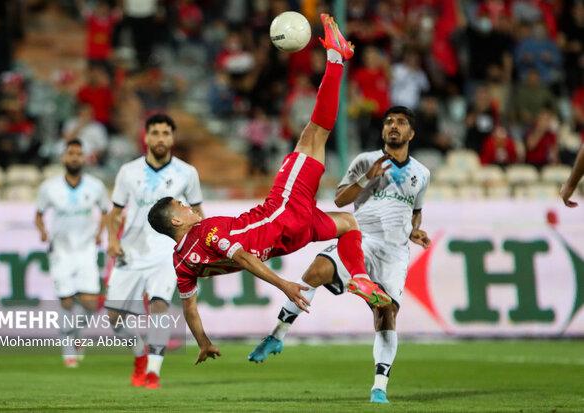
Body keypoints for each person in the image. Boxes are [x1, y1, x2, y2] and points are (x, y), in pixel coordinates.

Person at [148, 14, 390, 366]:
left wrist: (203, 342)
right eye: (181, 206)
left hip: (290, 237)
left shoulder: (181, 263)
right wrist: (285, 285)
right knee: (314, 134)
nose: (188, 206)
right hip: (282, 211)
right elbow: (244, 258)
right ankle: (336, 59)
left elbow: (190, 309)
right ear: (176, 221)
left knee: (349, 225)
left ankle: (362, 280)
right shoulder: (206, 231)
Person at [248, 105, 431, 405]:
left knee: (386, 313)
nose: (393, 127)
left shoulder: (421, 173)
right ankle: (277, 336)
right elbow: (339, 198)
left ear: (411, 132)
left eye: (400, 123)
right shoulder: (365, 160)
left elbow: (416, 212)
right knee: (316, 271)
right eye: (388, 122)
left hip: (394, 253)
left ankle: (379, 387)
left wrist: (414, 231)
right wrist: (366, 179)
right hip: (361, 237)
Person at [105, 113, 204, 390]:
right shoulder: (128, 171)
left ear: (172, 137)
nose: (160, 138)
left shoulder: (187, 173)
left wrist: (199, 249)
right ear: (146, 137)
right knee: (114, 317)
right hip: (131, 252)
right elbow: (114, 213)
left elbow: (197, 213)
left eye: (165, 133)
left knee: (160, 306)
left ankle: (153, 373)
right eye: (155, 133)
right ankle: (139, 355)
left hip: (166, 253)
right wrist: (113, 240)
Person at [35, 139, 109, 368]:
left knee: (90, 303)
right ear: (63, 158)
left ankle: (74, 334)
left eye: (78, 153)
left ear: (84, 158)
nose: (75, 157)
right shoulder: (49, 187)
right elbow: (39, 214)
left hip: (86, 248)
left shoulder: (95, 186)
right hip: (61, 250)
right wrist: (43, 231)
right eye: (71, 153)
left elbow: (107, 212)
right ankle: (68, 349)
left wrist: (100, 232)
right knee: (66, 300)